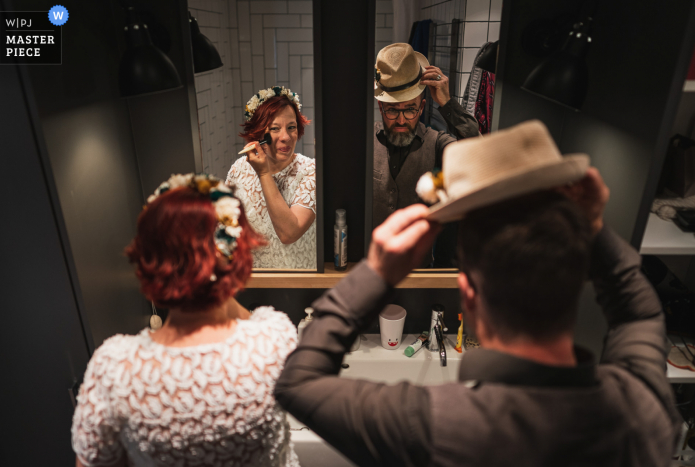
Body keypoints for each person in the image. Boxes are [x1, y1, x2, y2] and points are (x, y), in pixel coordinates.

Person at [275, 121, 681, 466]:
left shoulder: (437, 428)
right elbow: (640, 318)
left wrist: (378, 270)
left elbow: (297, 383)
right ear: (579, 280)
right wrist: (594, 228)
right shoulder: (643, 415)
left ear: (466, 293)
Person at [71, 174, 300, 467]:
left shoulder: (114, 369)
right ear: (234, 252)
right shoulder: (275, 338)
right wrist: (219, 276)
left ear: (148, 258)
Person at [373, 43, 479, 267]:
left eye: (410, 109)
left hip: (418, 276)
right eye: (393, 110)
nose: (401, 120)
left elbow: (476, 155)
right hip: (371, 267)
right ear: (381, 108)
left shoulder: (437, 143)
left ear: (421, 108)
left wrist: (448, 104)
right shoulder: (364, 141)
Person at [227, 86, 315, 269]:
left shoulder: (310, 171)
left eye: (291, 127)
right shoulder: (239, 169)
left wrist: (264, 173)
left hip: (300, 283)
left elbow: (289, 233)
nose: (286, 137)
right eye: (275, 129)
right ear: (259, 133)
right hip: (254, 281)